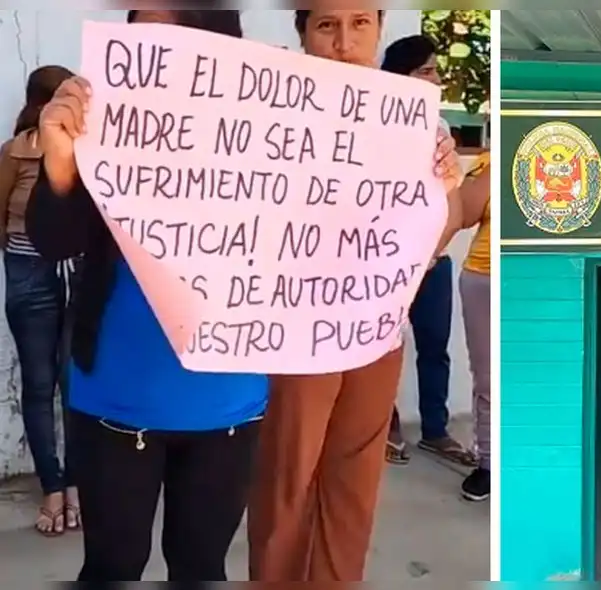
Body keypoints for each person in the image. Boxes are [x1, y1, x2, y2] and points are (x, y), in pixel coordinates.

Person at [25, 9, 268, 581]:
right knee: (112, 566)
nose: (149, 52)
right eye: (139, 34)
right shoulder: (99, 128)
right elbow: (53, 242)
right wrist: (59, 163)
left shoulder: (271, 133)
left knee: (201, 566)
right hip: (114, 400)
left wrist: (423, 175)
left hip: (228, 403)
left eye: (170, 37)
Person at [246, 8, 465, 582]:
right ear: (302, 33)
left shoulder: (415, 120)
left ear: (379, 29)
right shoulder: (272, 109)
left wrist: (441, 189)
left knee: (356, 483)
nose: (345, 42)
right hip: (297, 329)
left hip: (375, 328)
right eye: (326, 26)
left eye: (360, 24)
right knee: (287, 479)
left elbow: (440, 226)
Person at [381, 34, 472, 467]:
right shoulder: (375, 128)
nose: (436, 79)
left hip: (433, 261)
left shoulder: (440, 131)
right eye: (426, 71)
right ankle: (387, 428)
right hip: (386, 262)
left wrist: (431, 253)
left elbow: (450, 205)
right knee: (382, 347)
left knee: (435, 347)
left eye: (436, 69)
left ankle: (435, 431)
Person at [0, 64, 76, 536]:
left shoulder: (89, 149)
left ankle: (74, 485)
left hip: (77, 274)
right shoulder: (14, 152)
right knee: (42, 383)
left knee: (74, 382)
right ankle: (54, 486)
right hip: (31, 273)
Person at [458, 151, 491, 501]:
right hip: (483, 279)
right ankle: (488, 464)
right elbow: (463, 215)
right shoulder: (487, 163)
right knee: (487, 378)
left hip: (528, 278)